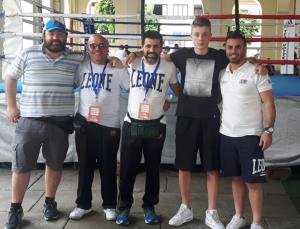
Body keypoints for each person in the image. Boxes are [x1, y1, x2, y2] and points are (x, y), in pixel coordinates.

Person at [125, 18, 267, 229]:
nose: (200, 38)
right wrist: (135, 53)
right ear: (191, 36)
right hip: (186, 118)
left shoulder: (220, 55)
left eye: (204, 34)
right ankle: (186, 207)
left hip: (210, 119)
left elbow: (240, 57)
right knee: (184, 166)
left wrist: (259, 64)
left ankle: (211, 212)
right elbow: (155, 54)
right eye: (196, 34)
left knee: (212, 168)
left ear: (210, 36)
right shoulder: (180, 55)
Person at [4, 19, 82, 229]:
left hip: (59, 123)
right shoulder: (28, 53)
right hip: (29, 121)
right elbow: (9, 78)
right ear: (44, 35)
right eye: (51, 34)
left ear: (66, 37)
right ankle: (15, 208)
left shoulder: (76, 58)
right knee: (20, 166)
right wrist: (12, 106)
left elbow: (98, 60)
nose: (55, 38)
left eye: (60, 34)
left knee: (55, 165)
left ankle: (50, 202)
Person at [116, 30, 180, 225]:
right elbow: (113, 59)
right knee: (127, 169)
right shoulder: (131, 61)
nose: (152, 50)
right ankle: (124, 207)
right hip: (132, 123)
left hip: (156, 125)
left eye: (156, 46)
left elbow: (177, 90)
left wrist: (168, 99)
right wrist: (134, 53)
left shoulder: (169, 67)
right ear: (142, 47)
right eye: (148, 46)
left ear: (162, 47)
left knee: (153, 169)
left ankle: (149, 206)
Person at [68, 34, 129, 221]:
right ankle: (83, 204)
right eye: (93, 45)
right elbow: (70, 85)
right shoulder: (81, 67)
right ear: (88, 48)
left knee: (108, 167)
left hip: (109, 125)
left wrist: (124, 63)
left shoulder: (116, 68)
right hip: (85, 124)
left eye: (102, 45)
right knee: (85, 166)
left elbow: (134, 87)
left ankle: (109, 204)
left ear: (108, 48)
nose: (97, 49)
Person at [219, 31, 275, 229]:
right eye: (230, 47)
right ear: (225, 48)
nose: (234, 51)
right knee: (235, 178)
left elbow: (268, 103)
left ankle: (257, 223)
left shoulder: (256, 72)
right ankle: (239, 215)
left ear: (245, 47)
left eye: (238, 47)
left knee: (253, 182)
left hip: (251, 136)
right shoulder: (223, 72)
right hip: (226, 134)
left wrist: (268, 130)